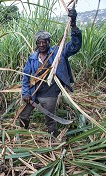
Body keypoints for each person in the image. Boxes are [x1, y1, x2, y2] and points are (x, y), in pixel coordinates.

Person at [19, 8, 82, 137]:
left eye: (44, 42)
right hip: (33, 93)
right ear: (36, 44)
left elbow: (75, 46)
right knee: (23, 115)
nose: (42, 44)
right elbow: (26, 77)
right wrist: (25, 93)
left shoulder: (58, 53)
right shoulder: (32, 58)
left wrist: (73, 25)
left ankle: (53, 140)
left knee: (50, 119)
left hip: (50, 93)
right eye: (39, 42)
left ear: (49, 42)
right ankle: (22, 135)